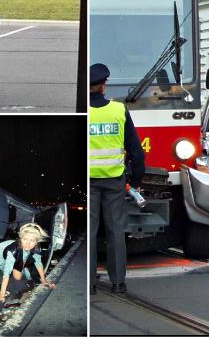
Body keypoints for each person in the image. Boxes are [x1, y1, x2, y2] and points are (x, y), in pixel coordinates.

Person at [89, 63, 145, 295]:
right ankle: (118, 282)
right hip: (114, 180)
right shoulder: (118, 110)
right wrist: (137, 176)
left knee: (90, 233)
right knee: (116, 232)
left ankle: (90, 283)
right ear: (104, 86)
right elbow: (136, 151)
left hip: (88, 181)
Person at [0, 223, 56, 303]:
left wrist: (44, 280)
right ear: (21, 239)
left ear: (36, 242)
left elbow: (38, 263)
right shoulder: (13, 251)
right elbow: (6, 274)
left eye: (32, 240)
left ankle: (18, 270)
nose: (28, 243)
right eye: (25, 239)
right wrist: (2, 295)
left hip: (18, 258)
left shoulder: (36, 248)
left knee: (19, 277)